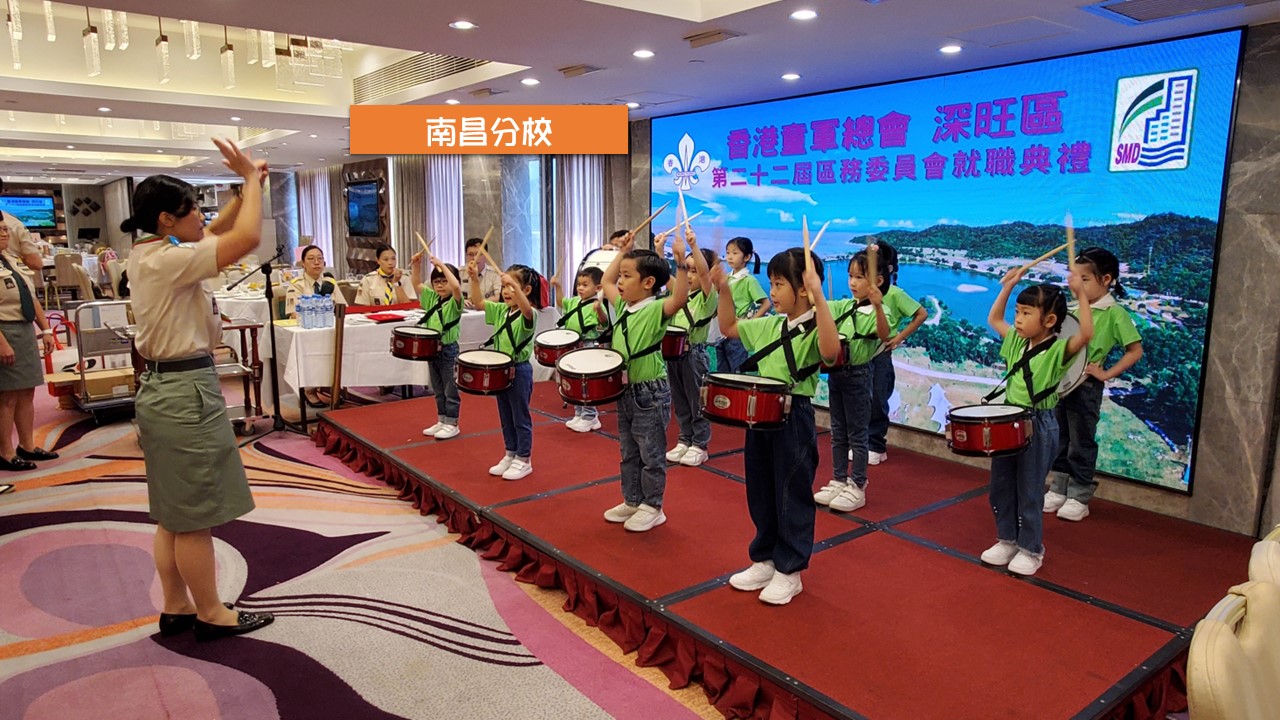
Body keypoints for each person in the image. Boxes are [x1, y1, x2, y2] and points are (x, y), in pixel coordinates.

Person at [124, 137, 273, 640]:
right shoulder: (169, 260)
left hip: (164, 389)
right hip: (185, 392)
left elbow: (211, 233)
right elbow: (246, 237)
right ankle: (212, 613)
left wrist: (243, 193)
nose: (201, 217)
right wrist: (250, 182)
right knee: (194, 516)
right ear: (167, 219)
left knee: (173, 513)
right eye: (192, 209)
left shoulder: (153, 251)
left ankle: (177, 606)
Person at [712, 247, 840, 605]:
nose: (773, 291)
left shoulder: (817, 325)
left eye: (779, 284)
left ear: (803, 289)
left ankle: (790, 569)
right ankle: (765, 558)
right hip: (760, 415)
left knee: (791, 491)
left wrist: (819, 297)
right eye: (771, 283)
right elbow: (728, 328)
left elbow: (831, 353)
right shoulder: (769, 324)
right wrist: (724, 289)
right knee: (761, 488)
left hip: (793, 414)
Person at [981, 267, 1092, 576]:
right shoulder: (1016, 343)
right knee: (1001, 486)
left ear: (1050, 320)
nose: (1017, 319)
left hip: (1039, 423)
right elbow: (994, 320)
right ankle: (1007, 539)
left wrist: (1080, 294)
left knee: (1029, 490)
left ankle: (1031, 549)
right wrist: (1008, 286)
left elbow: (1086, 334)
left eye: (1026, 313)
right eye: (1017, 312)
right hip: (1007, 420)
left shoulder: (1058, 350)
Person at [1044, 247, 1143, 522]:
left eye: (1084, 279)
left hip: (1086, 385)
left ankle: (1079, 495)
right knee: (1059, 437)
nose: (1076, 284)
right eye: (1075, 278)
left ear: (1106, 279)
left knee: (1081, 441)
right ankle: (1058, 488)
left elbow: (1135, 350)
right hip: (1060, 383)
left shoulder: (1113, 312)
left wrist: (1106, 373)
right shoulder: (1071, 309)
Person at [599, 231, 688, 532]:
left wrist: (680, 264)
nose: (620, 281)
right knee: (628, 451)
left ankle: (653, 505)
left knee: (651, 453)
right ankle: (633, 499)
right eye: (622, 275)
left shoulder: (654, 308)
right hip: (625, 390)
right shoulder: (623, 306)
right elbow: (606, 281)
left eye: (627, 276)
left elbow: (680, 298)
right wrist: (623, 252)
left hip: (650, 391)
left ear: (648, 282)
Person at [814, 250, 891, 513]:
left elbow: (884, 334)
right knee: (837, 431)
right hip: (836, 373)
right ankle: (838, 479)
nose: (852, 283)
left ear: (878, 281)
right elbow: (819, 307)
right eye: (850, 276)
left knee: (858, 434)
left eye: (859, 277)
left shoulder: (879, 311)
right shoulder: (844, 306)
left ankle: (858, 484)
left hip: (859, 375)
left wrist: (878, 305)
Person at [469, 262, 540, 480]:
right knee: (505, 415)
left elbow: (526, 310)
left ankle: (524, 458)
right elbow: (479, 302)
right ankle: (510, 452)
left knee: (520, 416)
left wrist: (514, 286)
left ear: (526, 290)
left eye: (512, 287)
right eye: (504, 287)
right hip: (500, 369)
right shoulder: (501, 310)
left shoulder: (530, 313)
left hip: (519, 370)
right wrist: (474, 279)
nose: (506, 292)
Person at [0, 221, 58, 475]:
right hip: (5, 332)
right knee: (7, 396)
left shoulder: (10, 259)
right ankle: (5, 452)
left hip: (23, 330)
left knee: (27, 392)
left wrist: (46, 330)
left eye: (5, 229)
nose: (5, 233)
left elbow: (30, 296)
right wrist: (2, 343)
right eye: (0, 230)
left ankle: (27, 445)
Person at [864, 242, 927, 465]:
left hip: (880, 353)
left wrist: (899, 337)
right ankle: (862, 443)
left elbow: (921, 314)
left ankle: (876, 445)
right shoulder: (862, 291)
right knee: (862, 399)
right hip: (861, 353)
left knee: (877, 399)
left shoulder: (896, 293)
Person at [664, 232, 716, 467]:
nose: (691, 275)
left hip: (694, 354)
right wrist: (661, 251)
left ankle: (700, 444)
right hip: (673, 353)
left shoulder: (707, 297)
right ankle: (685, 438)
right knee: (680, 399)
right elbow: (665, 276)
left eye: (695, 270)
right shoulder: (680, 293)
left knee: (697, 401)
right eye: (687, 270)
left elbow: (705, 275)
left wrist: (693, 245)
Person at [410, 250, 463, 440]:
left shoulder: (456, 302)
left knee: (450, 389)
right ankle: (442, 419)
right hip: (432, 350)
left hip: (448, 349)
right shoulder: (433, 298)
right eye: (436, 282)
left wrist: (440, 265)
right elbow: (416, 284)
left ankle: (452, 422)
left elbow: (456, 286)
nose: (440, 285)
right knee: (438, 389)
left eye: (444, 281)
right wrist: (416, 265)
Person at [287, 244, 347, 408]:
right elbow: (293, 314)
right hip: (308, 331)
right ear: (303, 264)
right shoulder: (297, 284)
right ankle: (309, 390)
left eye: (320, 259)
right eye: (311, 259)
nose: (316, 262)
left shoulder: (330, 283)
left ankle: (335, 385)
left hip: (330, 328)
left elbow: (342, 308)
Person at [559, 265, 606, 433]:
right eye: (579, 284)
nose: (580, 288)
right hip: (573, 345)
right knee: (574, 381)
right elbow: (561, 302)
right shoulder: (574, 301)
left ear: (598, 288)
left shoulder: (596, 304)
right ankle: (579, 413)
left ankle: (590, 416)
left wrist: (599, 310)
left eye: (585, 285)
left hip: (587, 346)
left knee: (585, 382)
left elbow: (604, 323)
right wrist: (557, 286)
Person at [715, 236, 770, 373]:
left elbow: (766, 303)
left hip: (738, 331)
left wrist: (750, 323)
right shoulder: (726, 278)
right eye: (728, 252)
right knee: (722, 370)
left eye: (735, 253)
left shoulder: (749, 280)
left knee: (736, 370)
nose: (730, 257)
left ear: (747, 257)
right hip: (721, 331)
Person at [0, 178, 48, 274]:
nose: (4, 234)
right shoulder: (14, 223)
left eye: (5, 230)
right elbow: (36, 263)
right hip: (11, 276)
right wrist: (18, 259)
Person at [461, 237, 502, 303]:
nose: (474, 258)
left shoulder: (495, 273)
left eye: (479, 254)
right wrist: (462, 301)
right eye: (470, 254)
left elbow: (498, 297)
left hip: (486, 308)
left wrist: (480, 303)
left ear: (486, 255)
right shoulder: (459, 272)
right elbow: (452, 295)